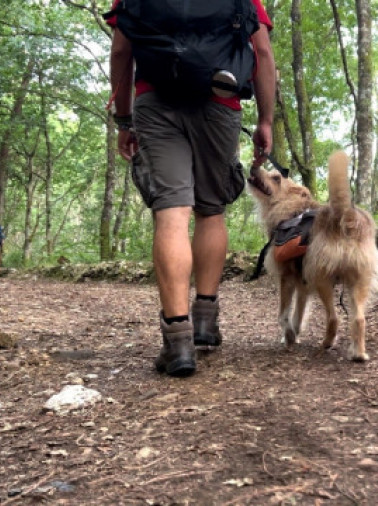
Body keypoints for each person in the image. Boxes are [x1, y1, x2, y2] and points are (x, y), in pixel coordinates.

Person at [108, 0, 276, 377]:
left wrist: (123, 118)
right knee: (211, 209)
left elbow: (122, 50)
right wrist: (265, 120)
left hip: (156, 100)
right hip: (220, 100)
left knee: (171, 211)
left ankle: (178, 342)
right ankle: (204, 322)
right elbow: (261, 51)